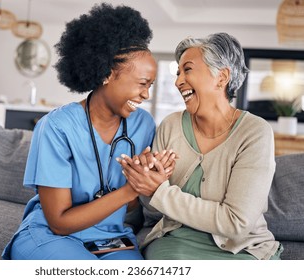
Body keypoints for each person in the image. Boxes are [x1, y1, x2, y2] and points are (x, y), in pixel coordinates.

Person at [2, 3, 175, 260]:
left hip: (111, 237)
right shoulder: (56, 127)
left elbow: (130, 209)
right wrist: (132, 188)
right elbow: (59, 222)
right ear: (106, 73)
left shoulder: (143, 124)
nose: (146, 95)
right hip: (54, 235)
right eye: (142, 84)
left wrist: (148, 178)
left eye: (150, 86)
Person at [118, 32, 283, 260]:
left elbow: (236, 223)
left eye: (187, 70)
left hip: (242, 249)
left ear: (222, 77)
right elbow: (155, 212)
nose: (177, 81)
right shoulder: (171, 126)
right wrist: (146, 182)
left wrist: (159, 190)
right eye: (177, 72)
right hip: (176, 242)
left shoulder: (254, 132)